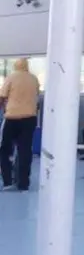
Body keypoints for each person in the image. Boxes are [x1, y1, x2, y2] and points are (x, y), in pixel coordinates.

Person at [0, 58, 41, 192]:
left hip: (12, 118)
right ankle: (24, 183)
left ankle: (7, 181)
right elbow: (36, 95)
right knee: (25, 150)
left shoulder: (11, 77)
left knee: (4, 149)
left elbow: (2, 96)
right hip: (29, 119)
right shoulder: (33, 79)